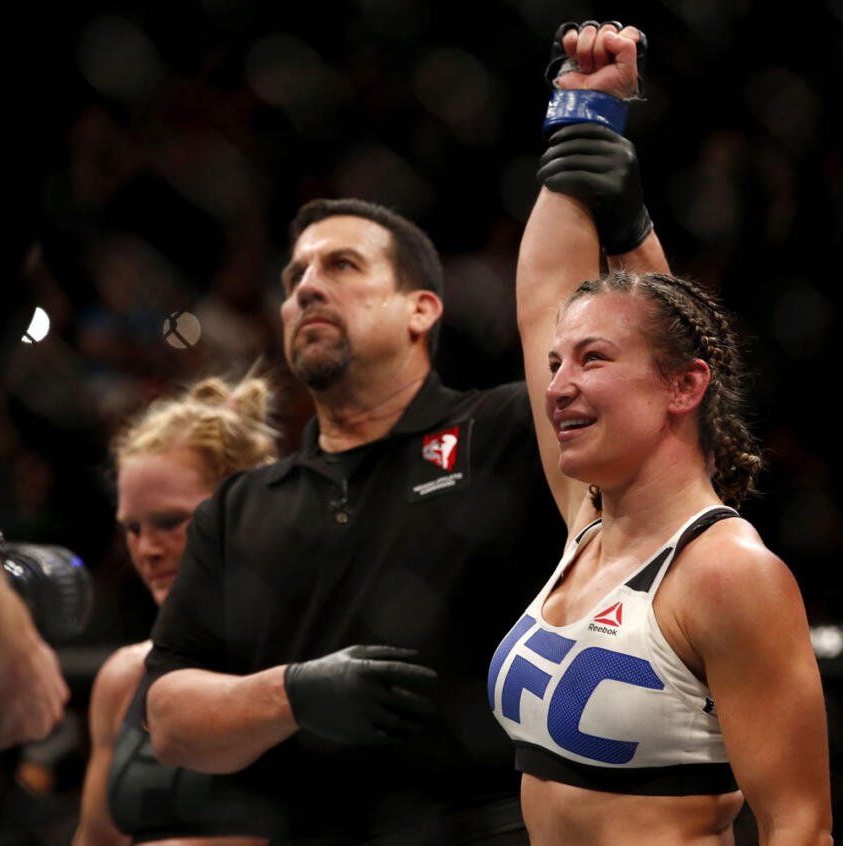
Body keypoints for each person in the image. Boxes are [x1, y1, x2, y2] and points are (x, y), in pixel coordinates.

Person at [488, 22, 834, 845]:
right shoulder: (590, 522)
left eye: (592, 360)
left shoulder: (728, 576)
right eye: (556, 365)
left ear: (684, 388)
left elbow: (801, 828)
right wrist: (585, 111)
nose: (558, 384)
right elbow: (546, 295)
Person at [142, 198, 567, 843]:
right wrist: (293, 694)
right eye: (293, 280)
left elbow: (611, 365)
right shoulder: (238, 507)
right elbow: (169, 720)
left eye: (341, 265)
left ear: (420, 309)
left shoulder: (505, 432)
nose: (307, 287)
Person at [73, 371, 280, 846]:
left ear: (246, 506)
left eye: (169, 522)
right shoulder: (123, 679)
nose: (147, 549)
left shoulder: (309, 652)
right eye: (132, 528)